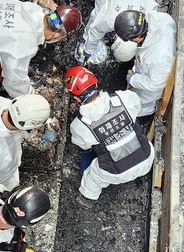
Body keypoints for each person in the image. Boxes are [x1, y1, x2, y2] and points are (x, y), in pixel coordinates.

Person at [64, 66, 154, 210]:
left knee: (93, 177)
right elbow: (137, 106)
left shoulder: (80, 126)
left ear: (76, 98)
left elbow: (82, 145)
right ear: (96, 83)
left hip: (117, 173)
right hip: (146, 159)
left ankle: (87, 200)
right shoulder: (123, 98)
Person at [75, 0, 157, 64]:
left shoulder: (151, 17)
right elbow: (95, 29)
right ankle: (85, 41)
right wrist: (87, 51)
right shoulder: (109, 19)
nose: (113, 37)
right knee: (98, 11)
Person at [114, 8, 176, 116]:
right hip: (147, 67)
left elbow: (155, 84)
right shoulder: (159, 19)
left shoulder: (160, 57)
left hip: (149, 94)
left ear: (137, 38)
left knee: (140, 106)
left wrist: (133, 79)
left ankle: (143, 116)